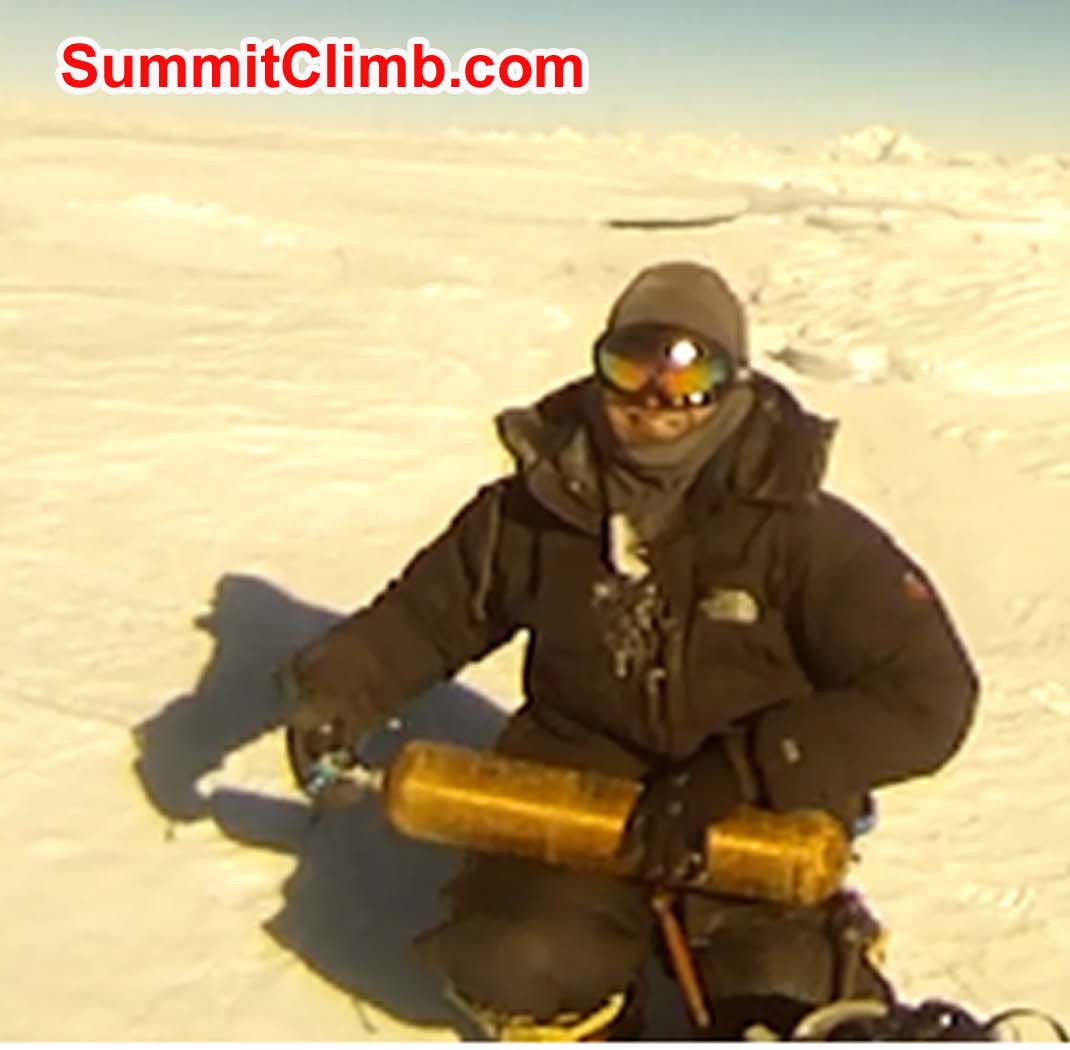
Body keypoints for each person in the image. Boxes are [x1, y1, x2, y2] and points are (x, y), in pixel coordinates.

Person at [281, 260, 980, 1040]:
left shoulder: (803, 532)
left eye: (687, 374)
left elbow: (929, 695)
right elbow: (424, 619)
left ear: (732, 382)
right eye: (630, 365)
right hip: (575, 797)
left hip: (749, 808)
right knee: (512, 958)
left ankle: (820, 943)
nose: (654, 400)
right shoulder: (533, 513)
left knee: (782, 997)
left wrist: (750, 765)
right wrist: (339, 691)